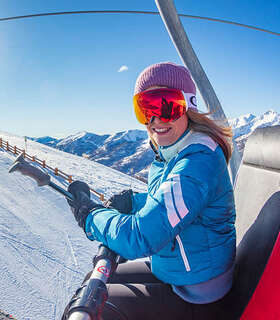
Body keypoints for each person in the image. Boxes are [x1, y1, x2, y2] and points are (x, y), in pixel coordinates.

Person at [62, 62, 236, 319]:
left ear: (188, 106)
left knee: (99, 310)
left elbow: (140, 237)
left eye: (165, 106)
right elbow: (172, 203)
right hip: (178, 272)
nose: (154, 120)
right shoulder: (173, 152)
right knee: (94, 283)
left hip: (200, 295)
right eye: (145, 109)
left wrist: (91, 216)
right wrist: (132, 202)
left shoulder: (198, 161)